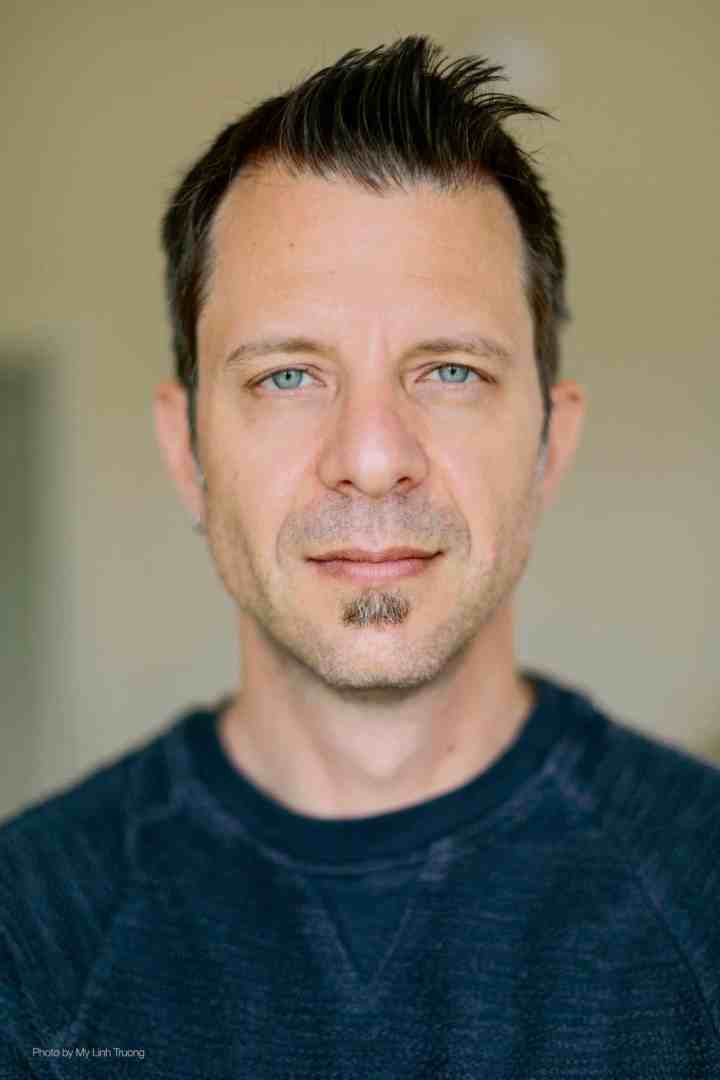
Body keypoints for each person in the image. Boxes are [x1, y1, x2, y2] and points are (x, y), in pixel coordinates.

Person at [1, 34, 719, 1079]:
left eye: (451, 371)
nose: (374, 459)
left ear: (550, 444)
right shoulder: (27, 942)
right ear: (186, 449)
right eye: (288, 376)